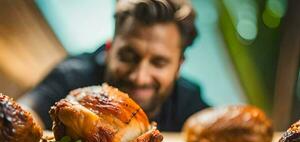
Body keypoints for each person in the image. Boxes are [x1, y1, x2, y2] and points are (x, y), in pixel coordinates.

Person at [19, 0, 209, 132]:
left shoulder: (187, 98)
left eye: (159, 63)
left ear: (179, 66)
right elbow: (24, 116)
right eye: (128, 56)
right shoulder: (72, 76)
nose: (139, 77)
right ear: (109, 49)